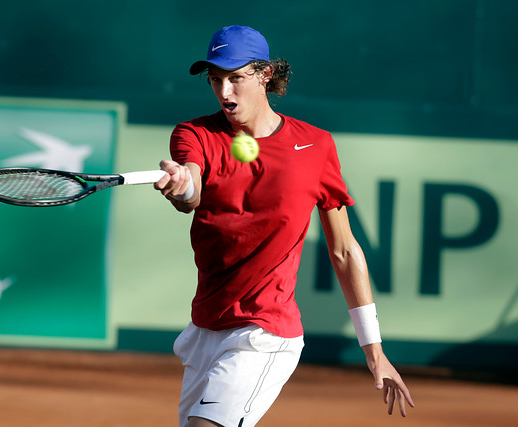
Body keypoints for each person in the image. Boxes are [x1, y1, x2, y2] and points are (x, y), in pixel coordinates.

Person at [154, 25, 414, 427]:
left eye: (236, 78)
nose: (224, 92)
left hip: (266, 333)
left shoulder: (316, 146)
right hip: (206, 326)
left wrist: (373, 349)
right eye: (216, 79)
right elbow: (191, 190)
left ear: (265, 75)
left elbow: (344, 250)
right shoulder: (195, 134)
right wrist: (181, 188)